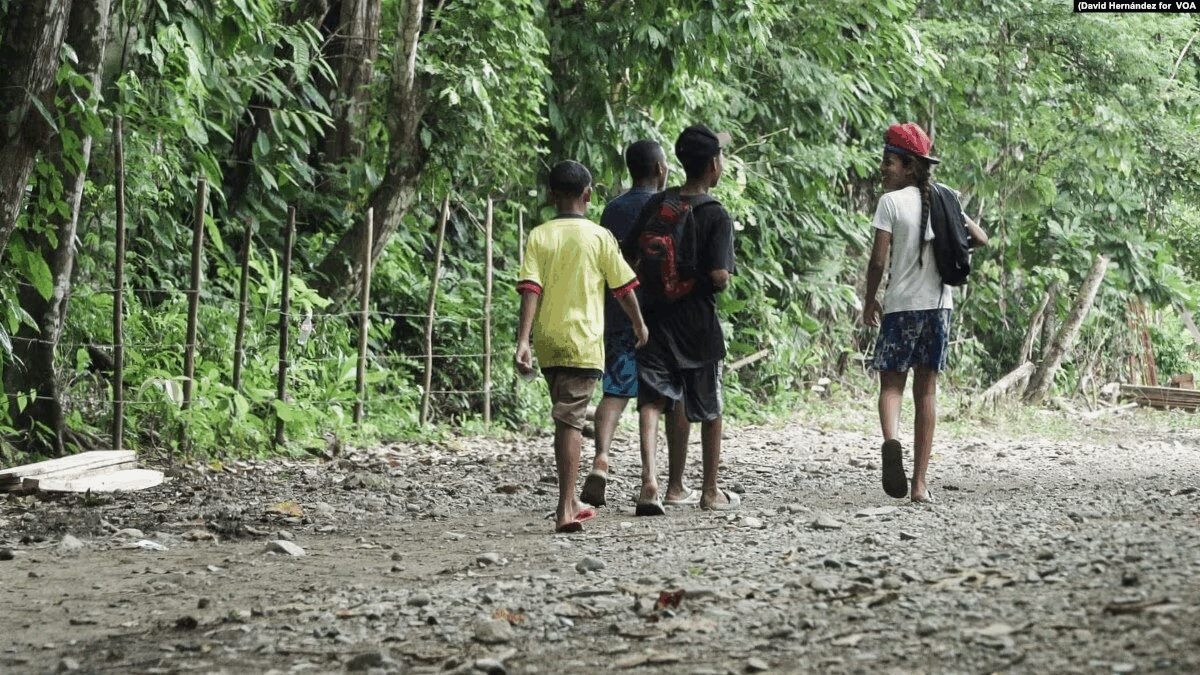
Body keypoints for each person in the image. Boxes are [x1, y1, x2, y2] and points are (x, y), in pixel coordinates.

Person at [515, 160, 649, 533]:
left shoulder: (540, 235)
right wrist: (639, 324)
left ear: (550, 195)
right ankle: (564, 509)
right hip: (584, 342)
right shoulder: (599, 237)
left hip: (548, 342)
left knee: (565, 416)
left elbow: (530, 288)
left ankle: (571, 500)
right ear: (588, 195)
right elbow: (623, 287)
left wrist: (524, 340)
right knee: (571, 422)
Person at [862, 122, 988, 503]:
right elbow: (981, 239)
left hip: (900, 309)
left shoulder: (891, 203)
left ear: (909, 165)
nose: (884, 169)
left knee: (891, 386)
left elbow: (878, 261)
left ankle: (892, 442)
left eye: (889, 163)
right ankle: (919, 485)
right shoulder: (946, 196)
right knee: (927, 391)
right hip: (938, 309)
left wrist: (870, 300)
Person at [622, 124, 738, 514]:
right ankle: (708, 491)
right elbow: (720, 278)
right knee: (708, 405)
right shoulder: (715, 214)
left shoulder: (658, 205)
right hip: (697, 323)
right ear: (711, 166)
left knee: (654, 400)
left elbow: (629, 256)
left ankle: (654, 484)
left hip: (655, 317)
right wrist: (703, 279)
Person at [580, 139, 686, 509]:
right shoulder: (670, 207)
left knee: (615, 390)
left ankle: (602, 460)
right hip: (658, 316)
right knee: (653, 399)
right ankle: (649, 482)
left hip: (619, 311)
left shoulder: (612, 210)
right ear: (659, 168)